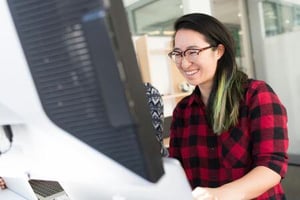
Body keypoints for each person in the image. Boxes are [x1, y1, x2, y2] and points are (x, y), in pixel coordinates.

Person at [167, 13, 288, 200]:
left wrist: (219, 195)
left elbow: (272, 166)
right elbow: (177, 171)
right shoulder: (183, 111)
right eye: (177, 53)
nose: (183, 62)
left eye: (192, 51)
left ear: (219, 51)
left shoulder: (256, 95)